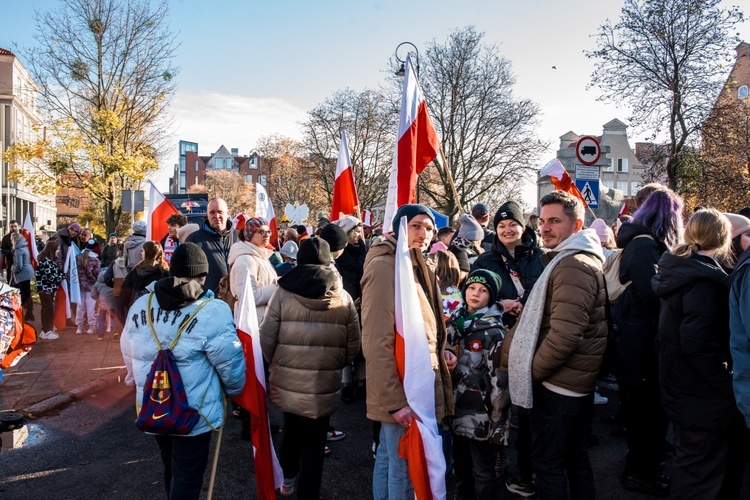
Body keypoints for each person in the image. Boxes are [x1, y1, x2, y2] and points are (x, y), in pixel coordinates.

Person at [119, 242, 246, 500]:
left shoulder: (141, 305)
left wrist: (136, 381)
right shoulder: (214, 310)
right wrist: (236, 391)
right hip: (194, 412)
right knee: (188, 473)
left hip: (154, 405)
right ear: (202, 276)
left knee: (170, 464)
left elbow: (128, 351)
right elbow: (229, 362)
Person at [505, 190, 607, 500]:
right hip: (571, 383)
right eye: (542, 220)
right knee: (574, 459)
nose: (545, 228)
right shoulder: (570, 259)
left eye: (554, 221)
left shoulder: (573, 265)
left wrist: (529, 373)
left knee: (548, 464)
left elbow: (565, 337)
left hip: (559, 385)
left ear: (576, 226)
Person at [361, 204, 456, 499]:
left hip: (413, 381)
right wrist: (394, 401)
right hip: (403, 389)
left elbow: (427, 324)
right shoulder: (385, 266)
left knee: (391, 460)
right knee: (403, 468)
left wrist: (444, 351)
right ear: (400, 227)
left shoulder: (413, 262)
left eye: (429, 228)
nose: (424, 234)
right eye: (416, 226)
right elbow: (377, 339)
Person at [653, 209, 746, 499]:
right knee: (700, 473)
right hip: (700, 395)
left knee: (691, 463)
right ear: (724, 238)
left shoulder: (682, 269)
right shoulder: (703, 281)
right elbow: (697, 343)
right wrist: (725, 383)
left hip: (680, 387)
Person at [260, 237, 360, 498]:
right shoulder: (344, 297)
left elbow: (267, 338)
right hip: (325, 380)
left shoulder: (281, 293)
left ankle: (287, 478)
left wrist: (280, 362)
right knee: (315, 444)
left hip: (289, 376)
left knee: (291, 428)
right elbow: (352, 345)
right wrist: (334, 366)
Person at [472, 200, 546, 496]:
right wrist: (498, 305)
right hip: (497, 339)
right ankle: (498, 459)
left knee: (527, 409)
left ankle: (527, 472)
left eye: (512, 224)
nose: (507, 230)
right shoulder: (485, 260)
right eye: (501, 226)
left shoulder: (540, 257)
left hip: (531, 340)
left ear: (522, 226)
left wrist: (528, 305)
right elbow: (472, 297)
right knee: (497, 403)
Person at [613, 188, 683, 496]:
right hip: (639, 344)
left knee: (647, 412)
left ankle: (644, 465)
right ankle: (639, 474)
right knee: (645, 413)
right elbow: (651, 293)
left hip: (640, 340)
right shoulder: (643, 246)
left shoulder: (645, 243)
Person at [447, 268, 509, 499]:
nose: (475, 294)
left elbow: (499, 380)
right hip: (455, 406)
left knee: (483, 470)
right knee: (460, 465)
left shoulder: (493, 331)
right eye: (471, 288)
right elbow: (444, 344)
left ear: (491, 297)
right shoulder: (457, 319)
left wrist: (498, 420)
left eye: (483, 291)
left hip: (480, 412)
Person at [227, 217, 278, 322]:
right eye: (261, 232)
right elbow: (248, 297)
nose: (266, 235)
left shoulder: (260, 256)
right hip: (252, 324)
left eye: (268, 231)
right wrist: (277, 287)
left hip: (262, 321)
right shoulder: (246, 260)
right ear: (249, 235)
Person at [185, 198, 236, 293]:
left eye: (220, 212)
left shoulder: (239, 237)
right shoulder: (194, 240)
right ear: (207, 214)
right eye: (212, 212)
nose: (216, 216)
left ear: (228, 213)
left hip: (237, 300)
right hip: (208, 300)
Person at [119, 241, 170, 316]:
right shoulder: (164, 273)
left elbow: (124, 293)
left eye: (143, 251)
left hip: (136, 311)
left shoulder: (135, 271)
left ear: (147, 253)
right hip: (157, 314)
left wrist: (131, 305)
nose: (141, 253)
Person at [35, 241, 65, 340]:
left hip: (45, 288)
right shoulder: (46, 261)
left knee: (46, 309)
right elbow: (51, 277)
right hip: (46, 289)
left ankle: (45, 331)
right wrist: (62, 275)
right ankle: (47, 330)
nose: (58, 251)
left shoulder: (45, 260)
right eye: (57, 249)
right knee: (48, 310)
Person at [75, 241, 102, 334]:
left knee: (80, 307)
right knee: (91, 308)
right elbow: (98, 275)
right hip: (92, 287)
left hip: (79, 286)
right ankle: (91, 327)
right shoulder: (95, 260)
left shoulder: (77, 257)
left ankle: (79, 327)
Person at [11, 232, 34, 322]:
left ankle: (24, 314)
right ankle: (29, 313)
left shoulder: (18, 250)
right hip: (27, 272)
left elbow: (19, 265)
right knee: (27, 293)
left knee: (23, 295)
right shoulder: (24, 247)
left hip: (22, 274)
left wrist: (14, 270)